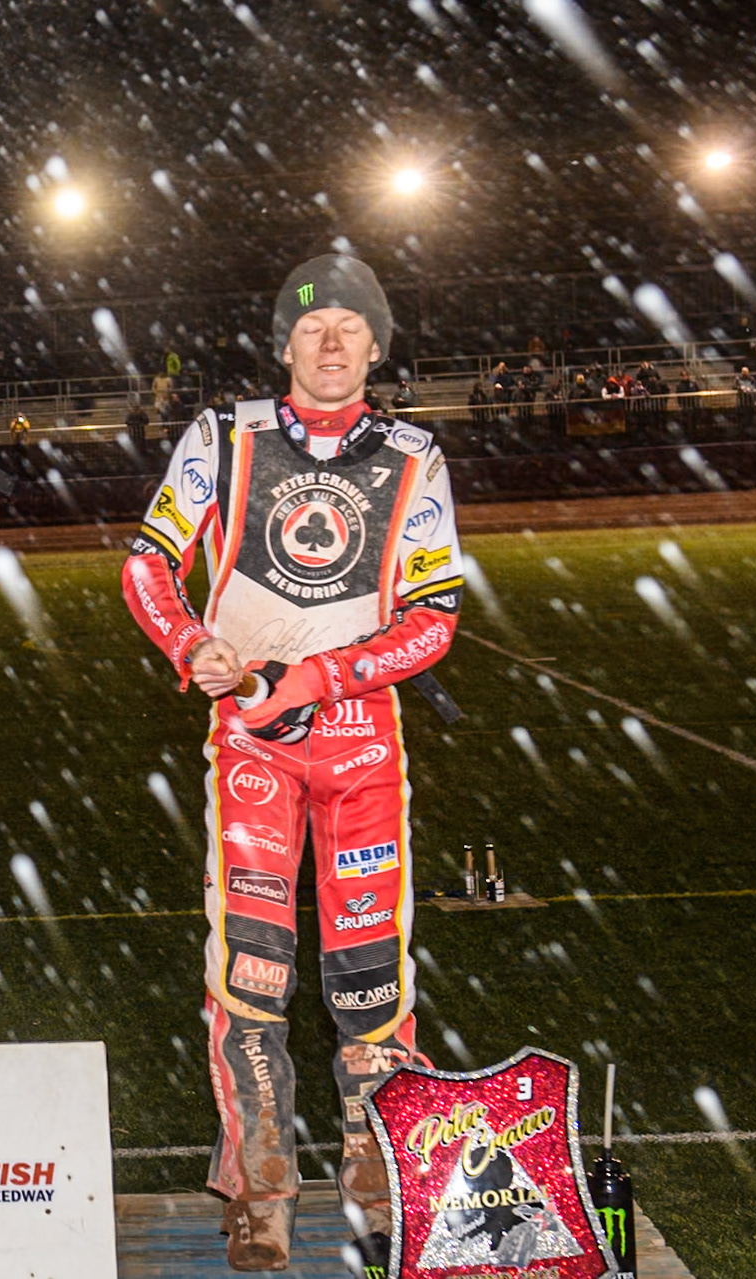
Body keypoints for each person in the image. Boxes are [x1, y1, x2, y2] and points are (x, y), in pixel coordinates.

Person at [120, 255, 462, 1272]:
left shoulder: (414, 455)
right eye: (312, 324)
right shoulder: (223, 438)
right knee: (252, 975)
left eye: (352, 325)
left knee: (369, 982)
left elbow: (434, 618)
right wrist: (194, 647)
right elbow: (147, 562)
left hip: (361, 747)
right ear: (282, 343)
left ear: (376, 345)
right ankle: (261, 1188)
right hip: (250, 746)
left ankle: (381, 1178)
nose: (330, 338)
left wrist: (317, 677)